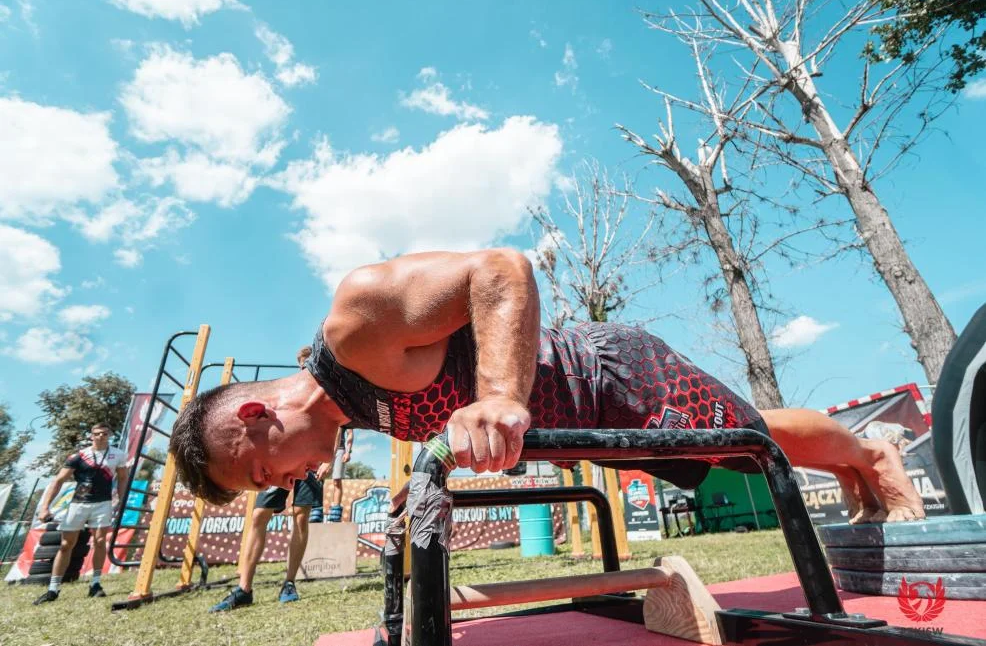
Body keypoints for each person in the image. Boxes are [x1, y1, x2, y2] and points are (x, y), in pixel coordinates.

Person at [169, 248, 926, 525]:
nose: (282, 483)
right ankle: (857, 473)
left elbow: (499, 270)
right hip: (582, 423)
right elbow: (450, 405)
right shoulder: (358, 410)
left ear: (257, 414)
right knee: (733, 454)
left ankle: (870, 456)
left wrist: (501, 394)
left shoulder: (354, 323)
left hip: (606, 372)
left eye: (262, 471)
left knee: (746, 439)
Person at [208, 347, 331, 612]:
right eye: (300, 362)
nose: (304, 366)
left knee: (300, 517)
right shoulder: (289, 390)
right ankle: (244, 587)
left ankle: (289, 582)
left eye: (307, 362)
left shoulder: (325, 385)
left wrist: (326, 460)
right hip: (278, 461)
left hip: (308, 463)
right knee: (258, 516)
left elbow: (336, 423)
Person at [33, 423, 128, 604]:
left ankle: (95, 584)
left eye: (104, 434)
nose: (101, 436)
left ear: (109, 436)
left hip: (103, 503)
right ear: (91, 436)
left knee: (100, 542)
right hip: (78, 504)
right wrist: (45, 507)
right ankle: (53, 589)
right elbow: (58, 481)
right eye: (97, 434)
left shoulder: (118, 454)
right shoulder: (79, 456)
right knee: (66, 544)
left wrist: (122, 500)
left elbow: (123, 478)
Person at [326, 427, 354, 522]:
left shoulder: (346, 414)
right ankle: (316, 508)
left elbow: (350, 433)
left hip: (340, 449)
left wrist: (348, 452)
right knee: (317, 477)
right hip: (325, 448)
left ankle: (335, 512)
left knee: (336, 480)